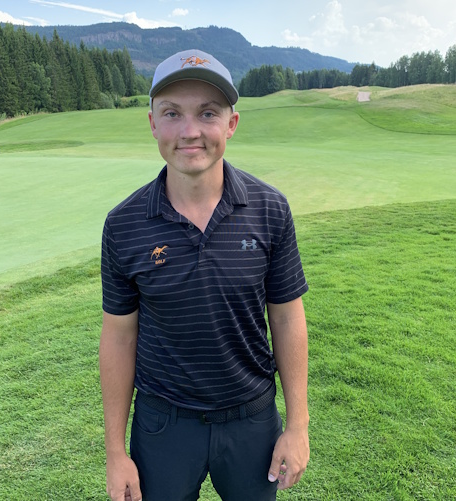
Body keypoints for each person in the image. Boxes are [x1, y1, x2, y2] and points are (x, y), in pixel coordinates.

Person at [99, 49, 310, 501]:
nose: (190, 131)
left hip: (252, 420)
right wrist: (115, 452)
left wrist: (298, 425)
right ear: (153, 123)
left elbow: (287, 316)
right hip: (163, 426)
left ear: (231, 124)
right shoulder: (123, 224)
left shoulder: (270, 209)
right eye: (172, 113)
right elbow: (119, 336)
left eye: (208, 113)